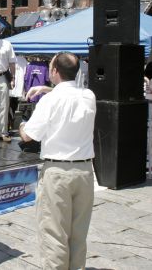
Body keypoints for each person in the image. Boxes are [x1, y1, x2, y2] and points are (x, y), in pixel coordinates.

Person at [19, 52, 96, 270]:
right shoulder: (89, 96)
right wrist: (46, 89)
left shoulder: (50, 101)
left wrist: (22, 124)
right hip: (84, 172)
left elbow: (28, 136)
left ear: (54, 71)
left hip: (57, 173)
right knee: (78, 234)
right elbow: (70, 95)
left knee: (54, 235)